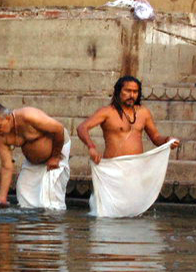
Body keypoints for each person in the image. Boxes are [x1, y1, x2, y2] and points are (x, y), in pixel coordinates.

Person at [76, 76, 180, 218]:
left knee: (134, 213)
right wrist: (91, 147)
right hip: (112, 171)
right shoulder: (107, 112)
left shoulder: (143, 112)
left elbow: (156, 138)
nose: (132, 95)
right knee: (106, 215)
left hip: (136, 170)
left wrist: (168, 140)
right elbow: (82, 127)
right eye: (128, 91)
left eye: (135, 92)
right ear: (119, 91)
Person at [0, 104, 71, 209]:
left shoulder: (28, 116)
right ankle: (31, 223)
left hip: (57, 150)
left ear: (8, 118)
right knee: (23, 190)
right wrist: (2, 197)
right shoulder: (1, 137)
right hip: (32, 161)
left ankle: (52, 223)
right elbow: (6, 166)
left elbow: (59, 129)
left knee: (51, 196)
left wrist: (55, 157)